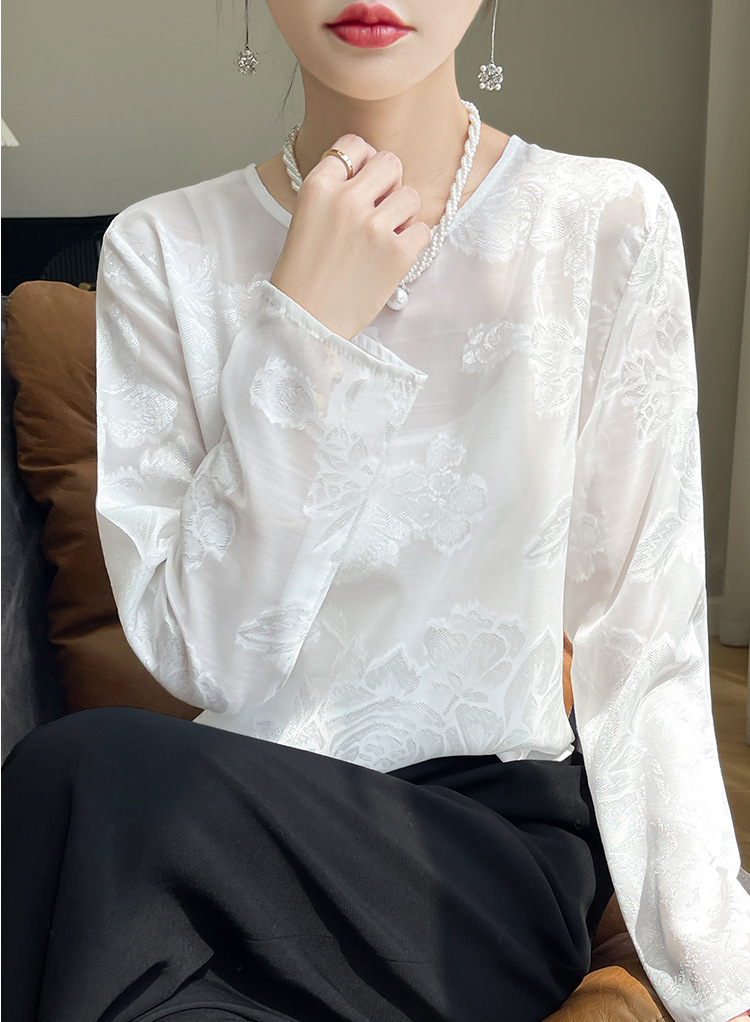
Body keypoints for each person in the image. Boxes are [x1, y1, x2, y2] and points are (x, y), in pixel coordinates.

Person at [3, 1, 750, 1020]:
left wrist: (715, 976)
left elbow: (645, 639)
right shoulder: (160, 250)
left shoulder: (604, 224)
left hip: (478, 862)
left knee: (72, 777)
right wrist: (304, 328)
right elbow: (212, 662)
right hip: (218, 823)